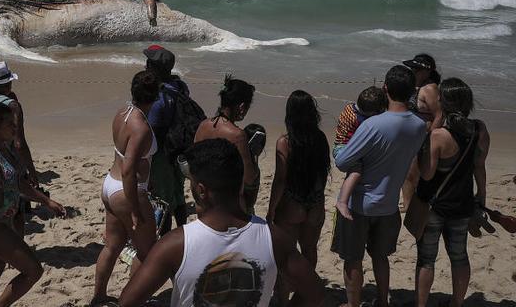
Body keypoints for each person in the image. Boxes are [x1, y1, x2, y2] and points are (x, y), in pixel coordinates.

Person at [118, 139, 326, 307]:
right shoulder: (272, 237)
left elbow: (128, 301)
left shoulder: (175, 244)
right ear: (239, 183)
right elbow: (315, 293)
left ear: (201, 190)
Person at [332, 65, 428, 307]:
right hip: (388, 204)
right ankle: (383, 302)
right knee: (381, 257)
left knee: (353, 260)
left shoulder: (373, 125)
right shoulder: (419, 126)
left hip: (359, 203)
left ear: (386, 89)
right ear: (412, 92)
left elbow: (343, 161)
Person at [0, 100, 66, 307]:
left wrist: (47, 201)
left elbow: (19, 183)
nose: (15, 128)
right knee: (33, 271)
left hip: (5, 221)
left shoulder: (3, 147)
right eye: (9, 125)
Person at [415, 78, 489, 307]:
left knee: (427, 259)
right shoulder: (479, 129)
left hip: (435, 206)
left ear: (443, 104)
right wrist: (481, 197)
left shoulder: (439, 136)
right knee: (459, 256)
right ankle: (457, 303)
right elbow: (479, 166)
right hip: (462, 203)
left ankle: (421, 304)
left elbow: (427, 174)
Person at [91, 70, 161, 306]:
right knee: (146, 252)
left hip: (110, 184)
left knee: (112, 246)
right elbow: (130, 169)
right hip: (127, 190)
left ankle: (99, 297)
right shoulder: (141, 127)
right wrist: (134, 209)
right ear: (156, 95)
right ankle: (133, 301)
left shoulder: (123, 113)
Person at [266, 90, 330, 301]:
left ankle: (283, 298)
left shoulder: (285, 142)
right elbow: (322, 171)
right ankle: (303, 294)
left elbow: (281, 179)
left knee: (286, 255)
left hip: (292, 202)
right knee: (309, 250)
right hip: (315, 201)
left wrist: (272, 208)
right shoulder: (321, 138)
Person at [193, 74, 259, 214]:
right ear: (241, 107)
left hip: (203, 202)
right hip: (227, 206)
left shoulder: (203, 126)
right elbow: (249, 178)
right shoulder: (237, 135)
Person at [143, 45, 191, 234]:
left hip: (162, 153)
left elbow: (150, 129)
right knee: (178, 196)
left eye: (149, 63)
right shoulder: (180, 86)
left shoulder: (158, 96)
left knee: (162, 201)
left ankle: (168, 239)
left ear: (155, 69)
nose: (145, 65)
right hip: (179, 149)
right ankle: (183, 232)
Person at [333, 86, 387, 220]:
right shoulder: (360, 120)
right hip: (343, 148)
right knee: (356, 173)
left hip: (346, 145)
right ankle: (342, 202)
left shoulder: (350, 107)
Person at [402, 53, 443, 210]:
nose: (413, 70)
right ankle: (407, 204)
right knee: (406, 173)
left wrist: (431, 136)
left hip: (423, 137)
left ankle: (410, 206)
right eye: (412, 67)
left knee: (412, 174)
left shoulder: (430, 89)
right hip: (409, 137)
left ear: (426, 72)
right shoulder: (413, 86)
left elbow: (439, 115)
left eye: (416, 69)